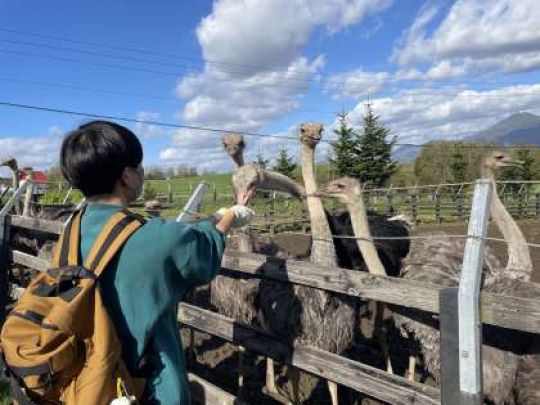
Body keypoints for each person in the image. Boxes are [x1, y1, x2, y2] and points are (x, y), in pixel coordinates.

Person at [59, 120, 254, 404]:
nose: (143, 172)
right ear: (126, 176)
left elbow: (174, 235)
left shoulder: (72, 227)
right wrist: (233, 214)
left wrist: (216, 215)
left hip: (84, 378)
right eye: (139, 166)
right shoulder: (148, 235)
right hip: (146, 383)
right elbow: (203, 249)